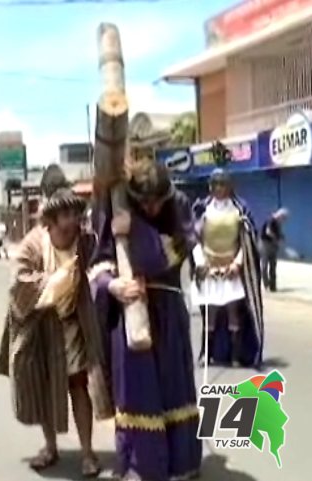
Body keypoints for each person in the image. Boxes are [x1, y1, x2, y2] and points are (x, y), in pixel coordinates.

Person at [0, 165, 112, 477]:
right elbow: (19, 281)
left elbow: (103, 257)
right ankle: (50, 447)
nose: (73, 222)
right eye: (66, 216)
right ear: (51, 217)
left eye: (76, 214)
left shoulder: (85, 240)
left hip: (74, 324)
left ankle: (88, 453)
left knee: (78, 386)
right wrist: (52, 282)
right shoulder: (33, 244)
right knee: (46, 386)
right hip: (43, 326)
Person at [89, 159, 202, 481]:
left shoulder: (178, 206)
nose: (151, 208)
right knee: (137, 391)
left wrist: (135, 228)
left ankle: (182, 463)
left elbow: (167, 255)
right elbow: (99, 262)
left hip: (166, 312)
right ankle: (141, 465)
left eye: (157, 201)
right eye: (145, 203)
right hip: (129, 312)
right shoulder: (118, 204)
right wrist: (112, 284)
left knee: (174, 387)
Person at [191, 168, 263, 368]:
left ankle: (236, 355)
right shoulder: (202, 210)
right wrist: (203, 264)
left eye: (223, 184)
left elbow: (246, 241)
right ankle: (208, 352)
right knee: (210, 314)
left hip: (232, 269)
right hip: (210, 269)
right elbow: (195, 241)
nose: (219, 188)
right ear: (211, 186)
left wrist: (238, 263)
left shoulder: (239, 211)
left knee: (234, 313)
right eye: (216, 184)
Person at [260, 208, 288, 291]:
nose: (283, 221)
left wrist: (282, 237)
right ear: (280, 216)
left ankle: (273, 286)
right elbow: (268, 232)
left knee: (273, 266)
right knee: (264, 266)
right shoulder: (270, 220)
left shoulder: (278, 223)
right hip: (265, 244)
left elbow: (278, 233)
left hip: (273, 245)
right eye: (284, 218)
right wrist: (276, 239)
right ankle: (266, 284)